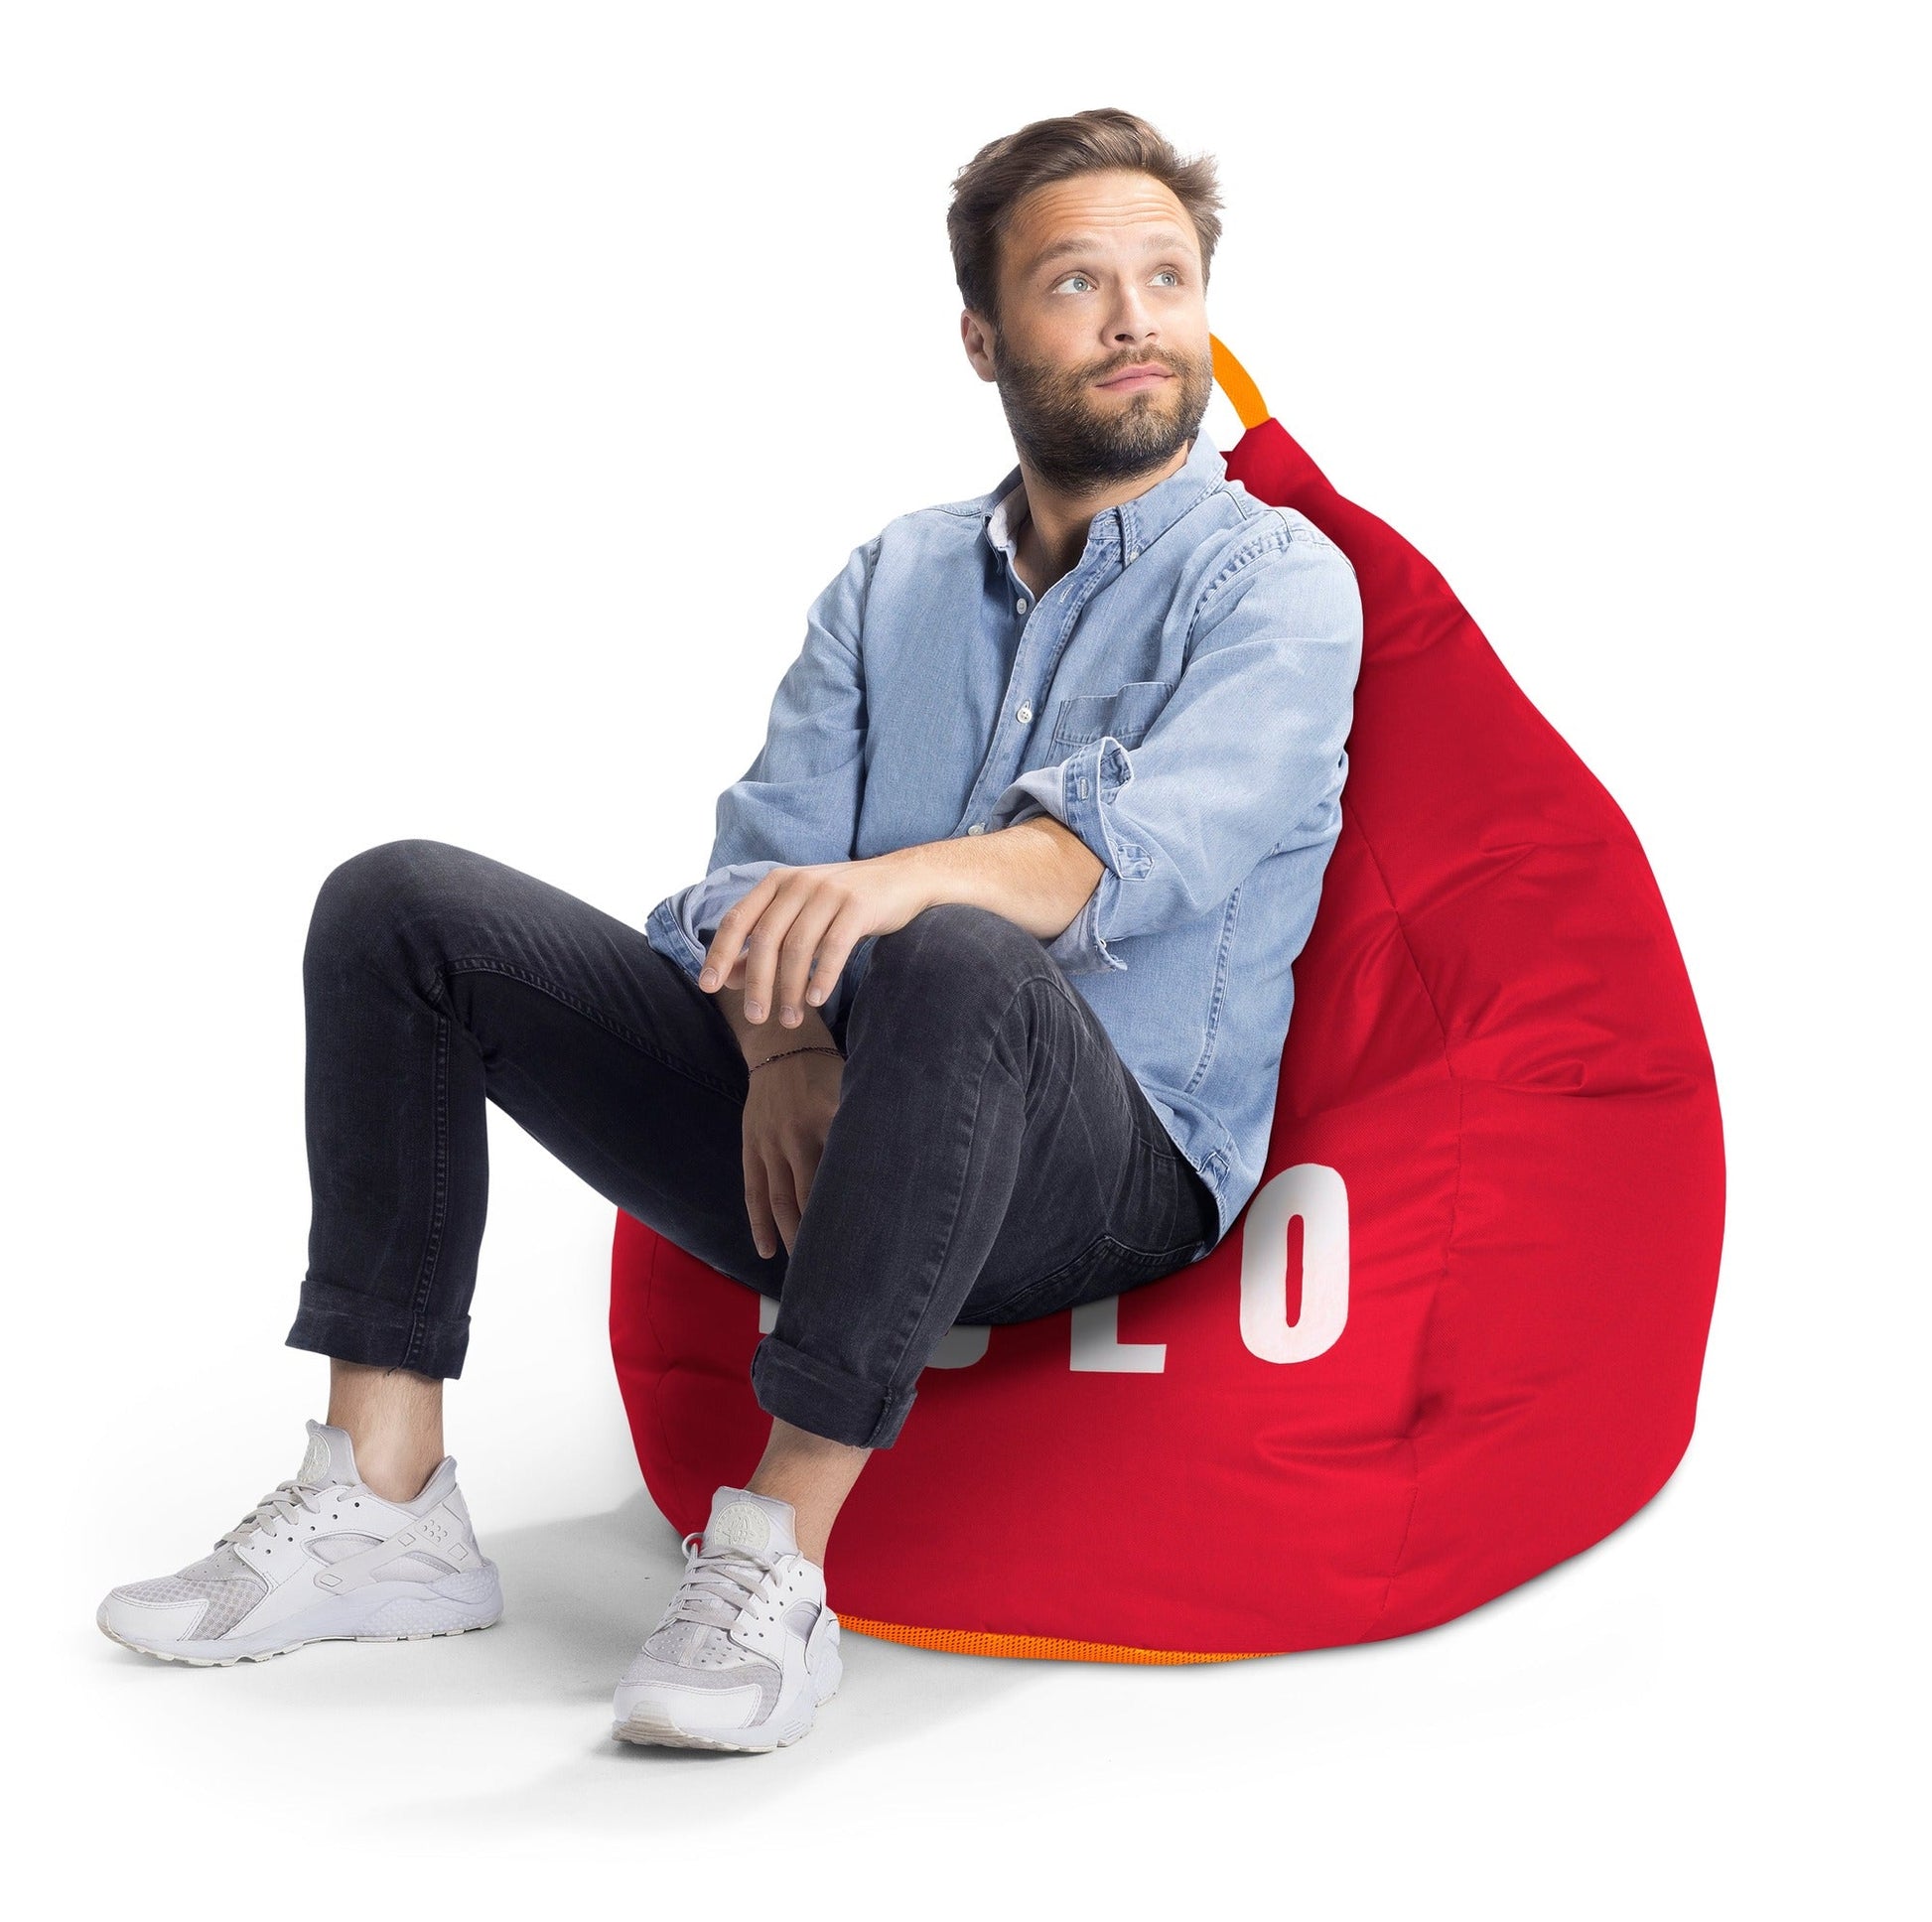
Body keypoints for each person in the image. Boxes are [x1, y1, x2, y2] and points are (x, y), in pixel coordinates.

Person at [96, 107, 1363, 1753]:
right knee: (401, 904)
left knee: (956, 945)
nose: (1136, 317)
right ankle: (388, 1495)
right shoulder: (893, 580)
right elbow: (748, 871)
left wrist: (895, 891)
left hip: (1108, 1172)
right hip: (827, 1121)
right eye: (1075, 282)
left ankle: (770, 1555)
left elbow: (1121, 863)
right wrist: (777, 1044)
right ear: (981, 337)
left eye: (1167, 277)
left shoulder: (1275, 581)